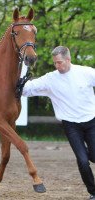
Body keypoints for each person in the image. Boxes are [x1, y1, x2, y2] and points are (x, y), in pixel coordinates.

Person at [22, 46, 95, 200]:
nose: (57, 66)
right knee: (82, 161)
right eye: (55, 63)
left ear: (68, 60)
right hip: (71, 126)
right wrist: (17, 83)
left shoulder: (86, 72)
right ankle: (93, 192)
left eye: (60, 62)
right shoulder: (51, 79)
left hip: (91, 122)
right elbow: (28, 89)